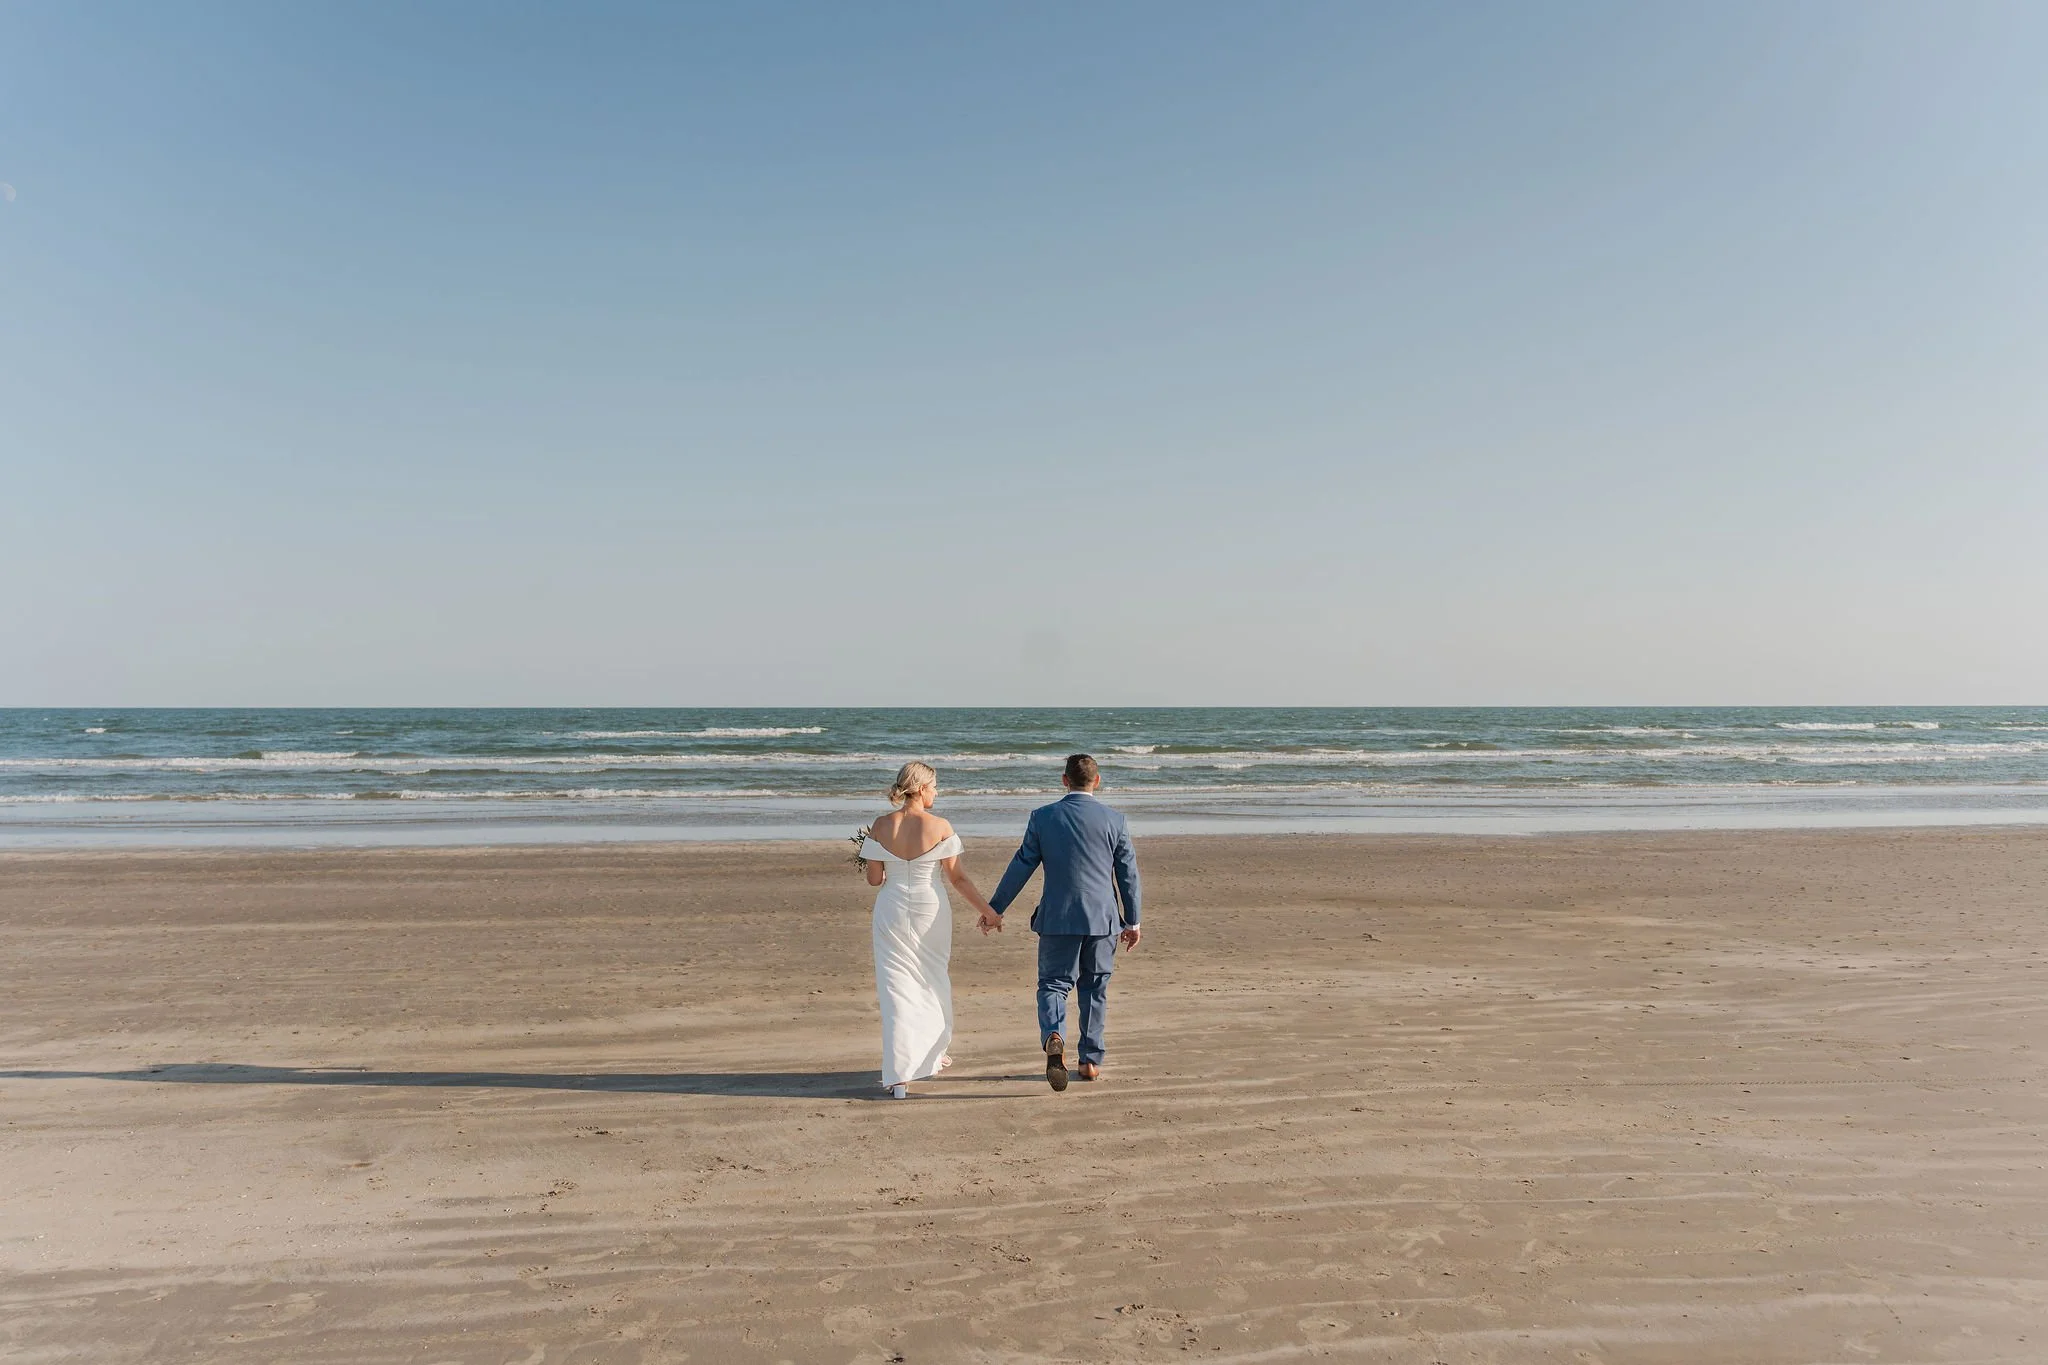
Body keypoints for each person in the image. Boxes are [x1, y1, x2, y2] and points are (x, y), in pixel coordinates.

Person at [984, 753, 1142, 1091]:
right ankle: (1089, 1061)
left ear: (1064, 779)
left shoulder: (1043, 818)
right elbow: (1127, 874)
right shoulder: (1115, 820)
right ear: (1096, 782)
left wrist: (995, 908)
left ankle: (1055, 1034)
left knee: (1054, 985)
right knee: (1094, 987)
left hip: (1057, 916)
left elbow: (1021, 865)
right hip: (1102, 920)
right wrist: (1133, 920)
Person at [859, 762, 1000, 1099]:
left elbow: (874, 879)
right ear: (921, 789)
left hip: (891, 908)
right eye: (934, 787)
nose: (937, 792)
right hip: (929, 909)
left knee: (895, 988)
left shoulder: (879, 825)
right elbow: (958, 879)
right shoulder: (940, 826)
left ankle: (898, 1077)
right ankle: (931, 1053)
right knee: (932, 979)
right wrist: (989, 913)